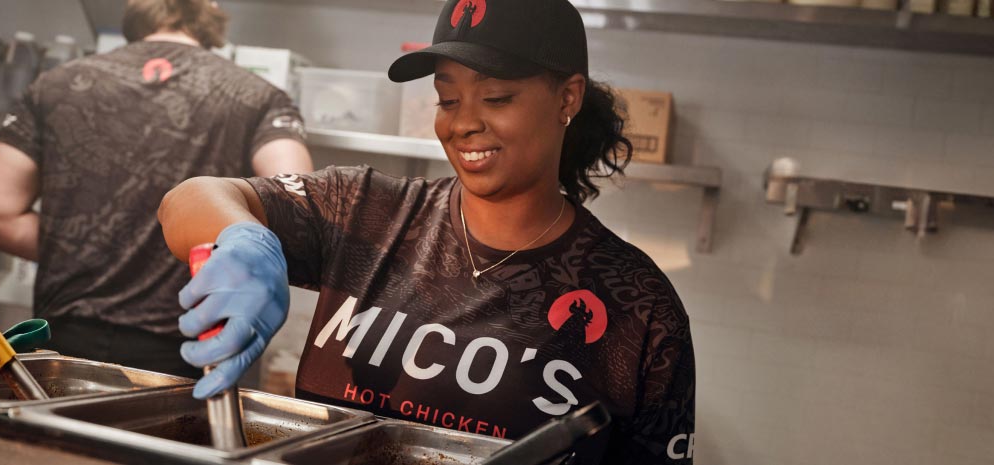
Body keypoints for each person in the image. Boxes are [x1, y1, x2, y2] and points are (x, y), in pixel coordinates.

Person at [157, 0, 694, 462]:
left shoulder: (638, 305)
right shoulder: (365, 209)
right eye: (447, 99)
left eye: (496, 97)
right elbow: (191, 198)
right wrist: (245, 238)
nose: (462, 123)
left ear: (567, 98)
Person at [0, 0, 312, 379]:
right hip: (193, 344)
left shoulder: (54, 85)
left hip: (65, 338)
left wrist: (87, 247)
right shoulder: (257, 96)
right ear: (210, 7)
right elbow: (298, 208)